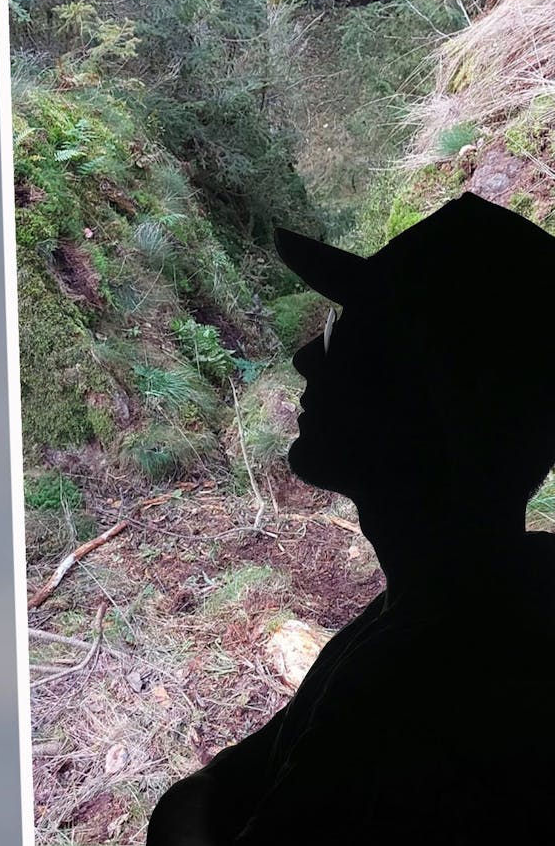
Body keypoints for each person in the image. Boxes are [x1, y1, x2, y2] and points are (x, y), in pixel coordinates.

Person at [146, 191, 555, 845]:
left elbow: (206, 796)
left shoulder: (423, 695)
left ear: (429, 397)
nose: (309, 354)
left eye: (349, 329)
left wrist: (189, 811)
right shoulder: (461, 599)